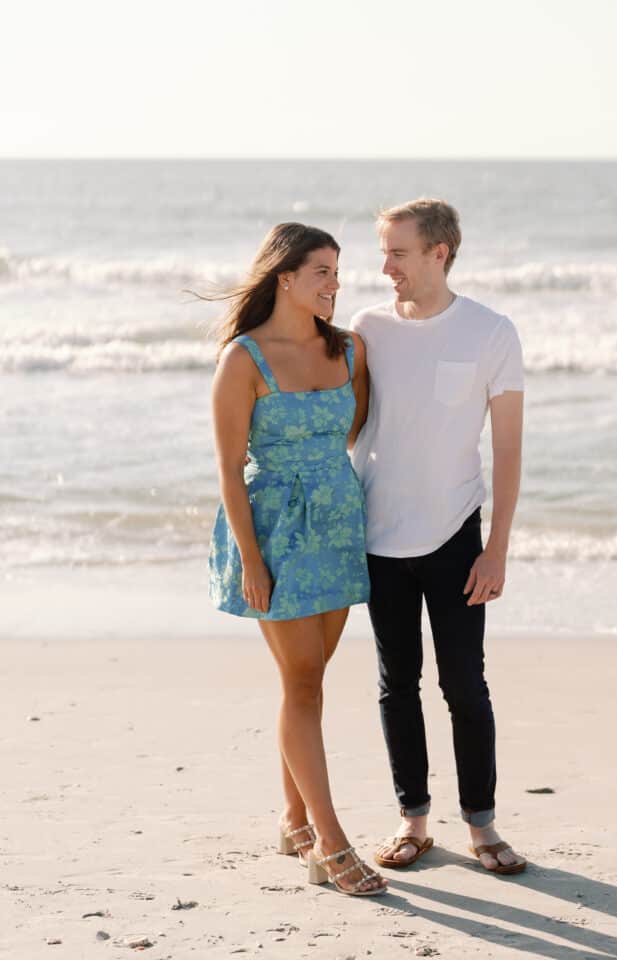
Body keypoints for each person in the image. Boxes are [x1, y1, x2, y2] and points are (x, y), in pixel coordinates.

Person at [208, 222, 387, 896]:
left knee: (305, 683)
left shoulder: (348, 350)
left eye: (338, 272)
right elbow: (228, 469)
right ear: (284, 276)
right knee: (304, 682)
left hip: (338, 527)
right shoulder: (243, 359)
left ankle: (292, 821)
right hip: (275, 534)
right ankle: (330, 845)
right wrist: (252, 561)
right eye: (322, 271)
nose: (335, 284)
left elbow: (350, 429)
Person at [350, 199, 526, 875]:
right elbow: (350, 421)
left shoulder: (489, 331)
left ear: (437, 253)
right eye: (382, 252)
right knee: (396, 683)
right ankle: (413, 821)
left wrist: (496, 548)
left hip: (456, 535)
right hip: (378, 538)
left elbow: (507, 448)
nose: (384, 265)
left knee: (464, 684)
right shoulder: (366, 328)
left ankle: (481, 827)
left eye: (397, 252)